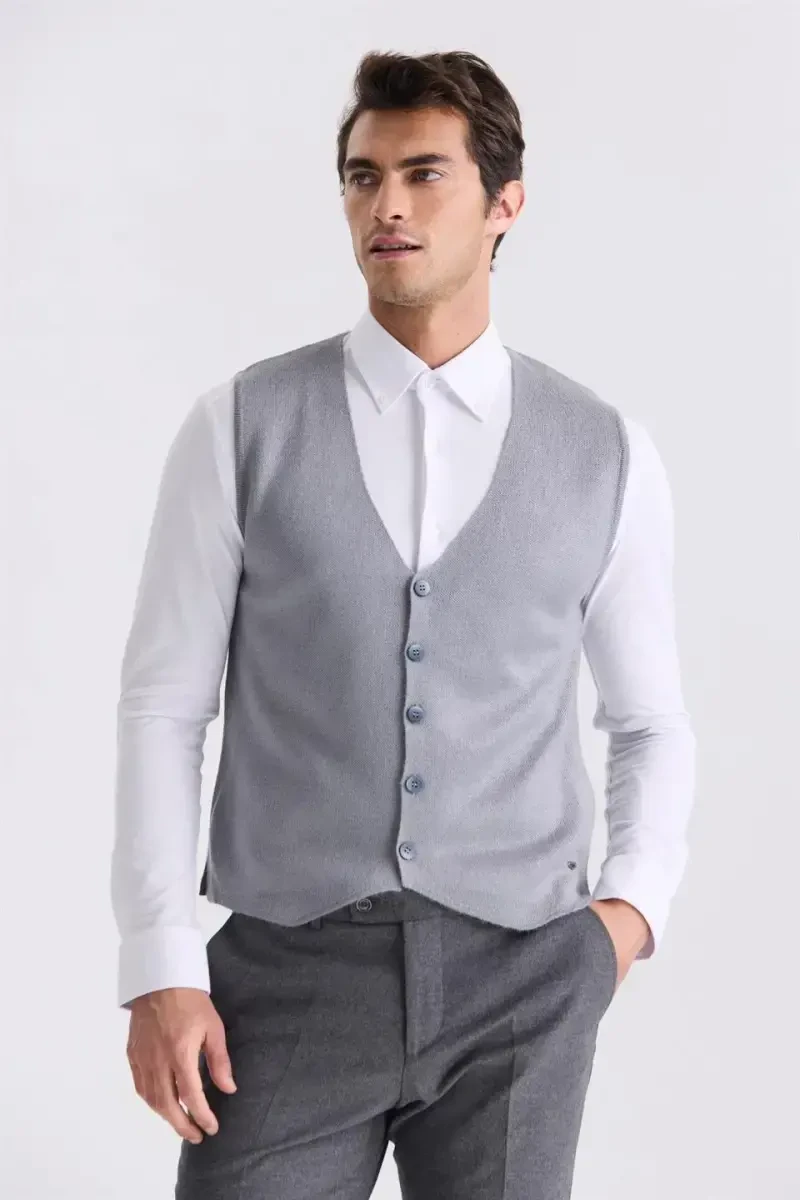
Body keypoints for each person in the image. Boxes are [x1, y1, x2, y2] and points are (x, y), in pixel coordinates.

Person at [112, 48, 696, 1199]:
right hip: (286, 974)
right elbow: (163, 707)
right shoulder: (240, 426)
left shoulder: (605, 453)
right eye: (361, 176)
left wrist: (624, 918)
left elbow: (648, 720)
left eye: (424, 174)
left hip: (524, 980)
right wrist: (159, 958)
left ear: (503, 203)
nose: (386, 204)